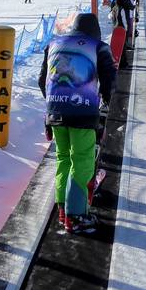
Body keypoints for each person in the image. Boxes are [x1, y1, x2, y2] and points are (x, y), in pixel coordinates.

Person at [37, 13, 116, 234]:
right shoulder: (98, 46)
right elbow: (110, 81)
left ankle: (64, 210)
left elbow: (42, 80)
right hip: (82, 111)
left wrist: (54, 104)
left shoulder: (53, 44)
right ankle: (76, 216)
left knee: (63, 158)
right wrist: (106, 103)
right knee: (82, 161)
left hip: (55, 111)